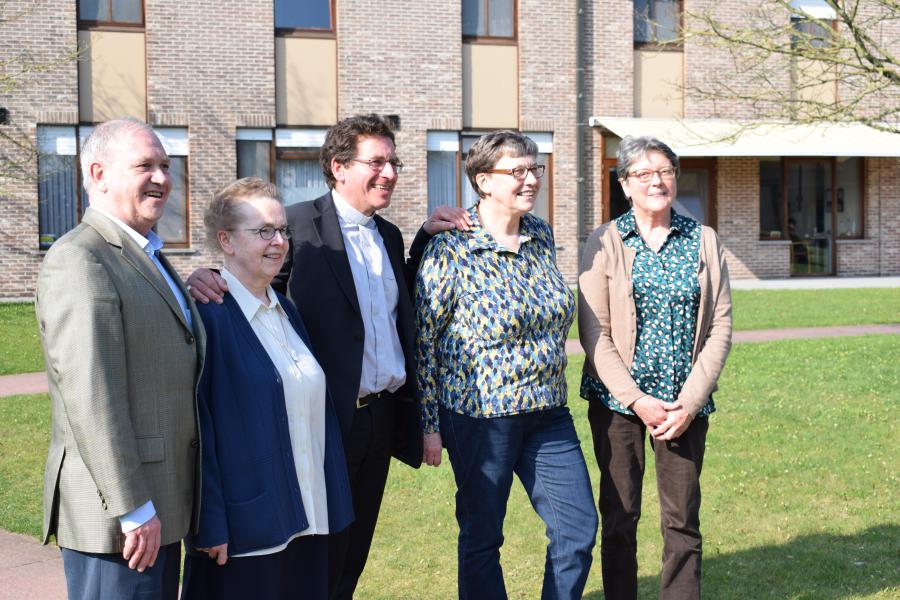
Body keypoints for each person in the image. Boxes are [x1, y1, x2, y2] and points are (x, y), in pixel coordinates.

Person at [186, 113, 470, 599]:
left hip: (381, 417)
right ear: (338, 167)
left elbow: (387, 299)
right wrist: (203, 276)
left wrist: (423, 239)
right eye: (376, 162)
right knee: (317, 555)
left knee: (353, 551)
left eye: (394, 161)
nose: (390, 172)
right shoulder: (296, 226)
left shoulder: (389, 234)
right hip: (326, 420)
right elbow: (253, 280)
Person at [416, 130, 598, 600]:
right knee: (482, 538)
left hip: (547, 413)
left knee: (577, 529)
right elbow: (424, 343)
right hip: (480, 418)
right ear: (483, 181)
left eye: (534, 168)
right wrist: (430, 425)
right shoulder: (450, 248)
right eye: (516, 170)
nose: (530, 179)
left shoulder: (540, 235)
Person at [35, 117, 203, 600]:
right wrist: (132, 507)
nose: (163, 178)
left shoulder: (148, 252)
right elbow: (91, 395)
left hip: (162, 503)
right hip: (121, 519)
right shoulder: (80, 259)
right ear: (99, 174)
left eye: (166, 166)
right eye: (145, 166)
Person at [180, 178, 353, 599]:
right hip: (246, 534)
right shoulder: (207, 318)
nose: (279, 242)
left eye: (282, 231)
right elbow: (197, 429)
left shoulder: (286, 310)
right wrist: (209, 524)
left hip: (308, 517)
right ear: (226, 241)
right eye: (263, 231)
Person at [578, 135, 733, 600]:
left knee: (682, 519)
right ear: (624, 184)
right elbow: (594, 333)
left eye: (664, 171)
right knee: (620, 517)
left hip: (683, 406)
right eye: (643, 173)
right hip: (620, 405)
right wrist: (637, 400)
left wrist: (690, 402)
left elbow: (720, 326)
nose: (656, 181)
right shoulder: (604, 241)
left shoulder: (703, 240)